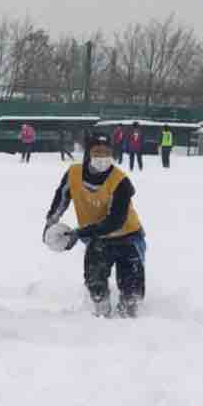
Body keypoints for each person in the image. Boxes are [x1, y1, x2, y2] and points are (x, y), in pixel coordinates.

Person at [44, 133, 146, 318]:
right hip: (98, 239)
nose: (102, 156)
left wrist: (79, 233)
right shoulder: (74, 174)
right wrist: (51, 222)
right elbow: (61, 198)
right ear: (88, 153)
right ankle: (102, 314)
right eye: (97, 151)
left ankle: (129, 316)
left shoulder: (120, 181)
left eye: (106, 152)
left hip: (129, 238)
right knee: (95, 283)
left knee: (132, 292)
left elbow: (115, 221)